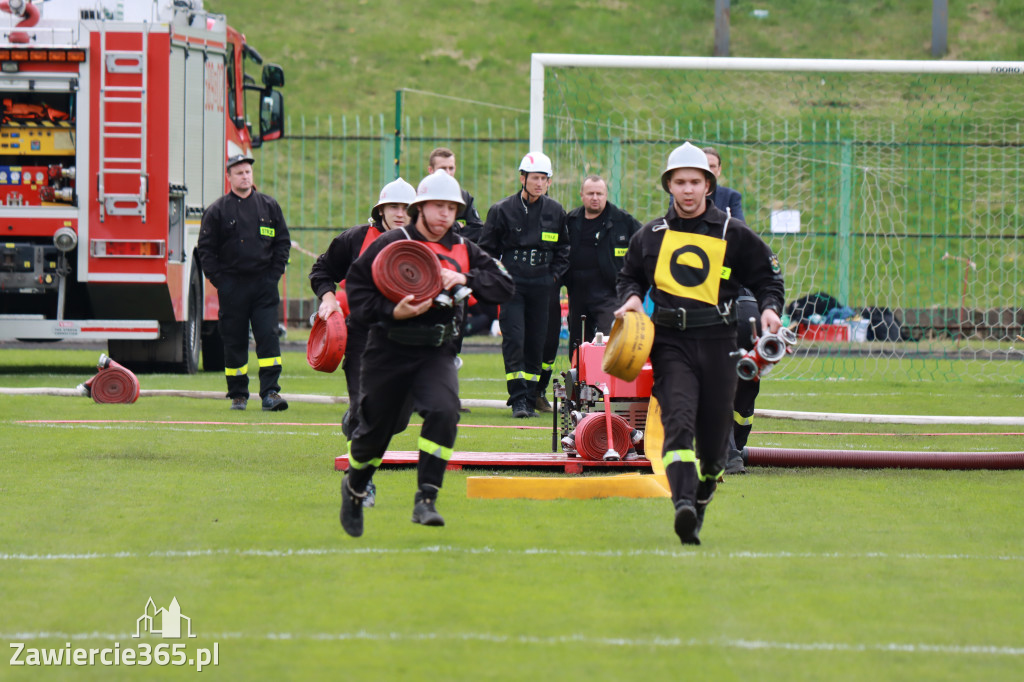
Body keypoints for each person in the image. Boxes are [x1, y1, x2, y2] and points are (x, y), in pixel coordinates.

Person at [614, 142, 784, 546]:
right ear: (669, 186)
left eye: (695, 182)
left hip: (720, 341)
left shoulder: (731, 232)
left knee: (712, 444)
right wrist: (633, 298)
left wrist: (770, 309)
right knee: (678, 423)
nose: (687, 190)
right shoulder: (651, 234)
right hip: (670, 341)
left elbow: (767, 277)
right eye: (680, 182)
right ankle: (683, 505)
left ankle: (703, 491)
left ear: (708, 185)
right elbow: (629, 276)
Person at [339, 170, 514, 537]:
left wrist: (465, 279)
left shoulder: (465, 249)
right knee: (374, 432)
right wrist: (391, 311)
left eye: (452, 208)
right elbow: (356, 287)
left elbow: (504, 284)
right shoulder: (393, 241)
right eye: (438, 206)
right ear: (420, 207)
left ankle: (426, 498)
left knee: (444, 411)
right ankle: (355, 487)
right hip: (388, 349)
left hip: (436, 351)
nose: (445, 214)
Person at [308, 178, 417, 507]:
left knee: (398, 419)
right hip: (361, 335)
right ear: (380, 210)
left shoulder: (424, 243)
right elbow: (321, 269)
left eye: (406, 208)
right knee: (368, 411)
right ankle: (362, 484)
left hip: (405, 338)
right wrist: (328, 299)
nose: (400, 214)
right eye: (393, 207)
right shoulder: (355, 239)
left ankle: (352, 421)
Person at [478, 151, 569, 419]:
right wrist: (501, 277)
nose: (539, 183)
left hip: (543, 285)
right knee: (515, 339)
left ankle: (530, 396)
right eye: (534, 178)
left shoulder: (556, 211)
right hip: (512, 286)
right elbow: (486, 252)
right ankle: (517, 398)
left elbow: (564, 249)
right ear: (522, 178)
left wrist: (553, 277)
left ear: (549, 182)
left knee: (536, 343)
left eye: (544, 178)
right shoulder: (501, 210)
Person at [197, 154, 290, 412]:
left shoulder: (269, 207)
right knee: (234, 340)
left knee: (268, 338)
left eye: (248, 171)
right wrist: (221, 282)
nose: (245, 176)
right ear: (229, 177)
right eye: (239, 172)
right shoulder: (217, 211)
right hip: (232, 287)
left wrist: (274, 275)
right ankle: (238, 394)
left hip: (264, 285)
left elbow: (282, 242)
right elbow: (205, 250)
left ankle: (271, 393)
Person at [704, 146, 756, 475]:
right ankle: (728, 450)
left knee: (747, 380)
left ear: (718, 171)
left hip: (738, 302)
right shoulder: (681, 208)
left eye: (711, 167)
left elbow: (738, 231)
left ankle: (737, 440)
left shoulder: (731, 199)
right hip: (701, 302)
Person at [564, 174, 642, 356]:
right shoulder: (571, 221)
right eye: (590, 193)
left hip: (610, 293)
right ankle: (578, 382)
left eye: (599, 193)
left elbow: (643, 244)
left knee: (610, 341)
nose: (595, 198)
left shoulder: (623, 221)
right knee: (578, 345)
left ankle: (607, 382)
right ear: (581, 195)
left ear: (606, 195)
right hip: (577, 293)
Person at [427, 147, 485, 243]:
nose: (448, 173)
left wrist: (450, 232)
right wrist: (457, 226)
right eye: (443, 169)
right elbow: (425, 230)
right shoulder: (420, 197)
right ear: (431, 170)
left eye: (451, 168)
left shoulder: (464, 197)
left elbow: (478, 231)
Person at [704, 146, 744, 221]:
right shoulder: (682, 195)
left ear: (719, 169)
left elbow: (740, 230)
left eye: (712, 166)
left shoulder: (731, 197)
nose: (708, 170)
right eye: (704, 165)